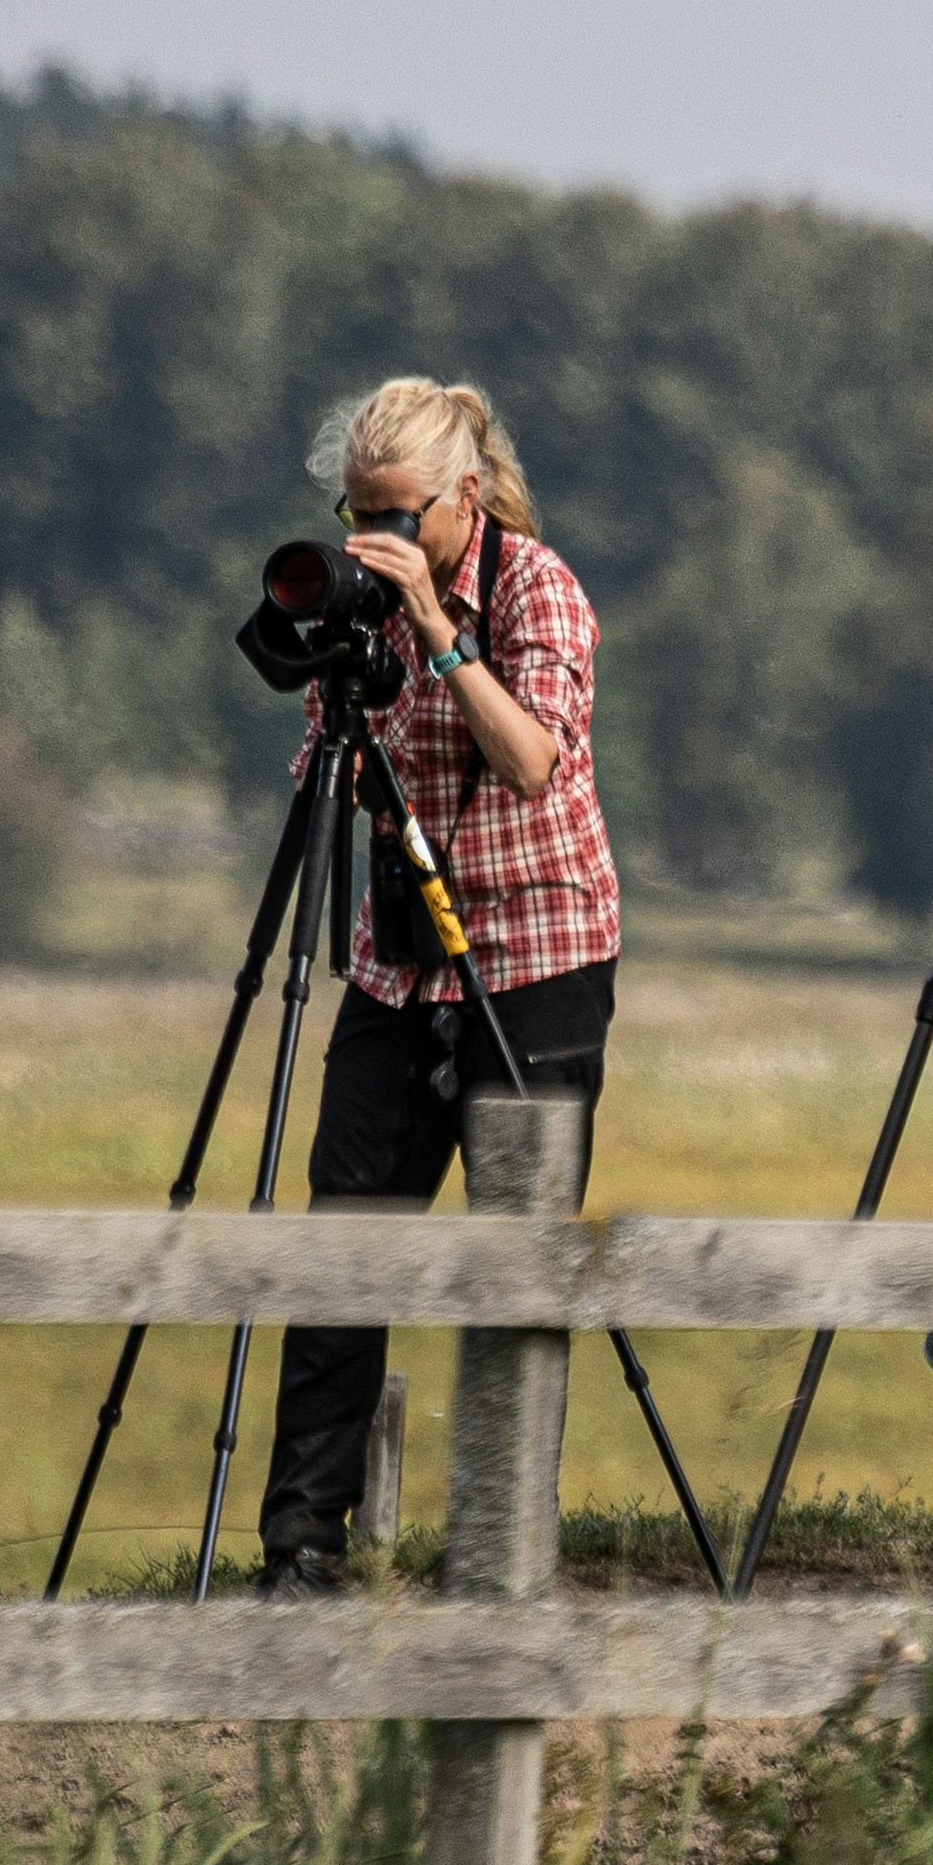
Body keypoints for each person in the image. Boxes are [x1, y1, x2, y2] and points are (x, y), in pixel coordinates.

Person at [255, 376, 620, 1594]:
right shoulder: (364, 594)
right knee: (343, 1246)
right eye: (360, 512)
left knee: (516, 1261)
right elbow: (325, 763)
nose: (380, 539)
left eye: (400, 514)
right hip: (400, 957)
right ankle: (300, 1546)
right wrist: (345, 642)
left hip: (536, 956)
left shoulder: (537, 590)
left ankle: (499, 1551)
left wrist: (440, 636)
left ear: (465, 498)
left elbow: (529, 761)